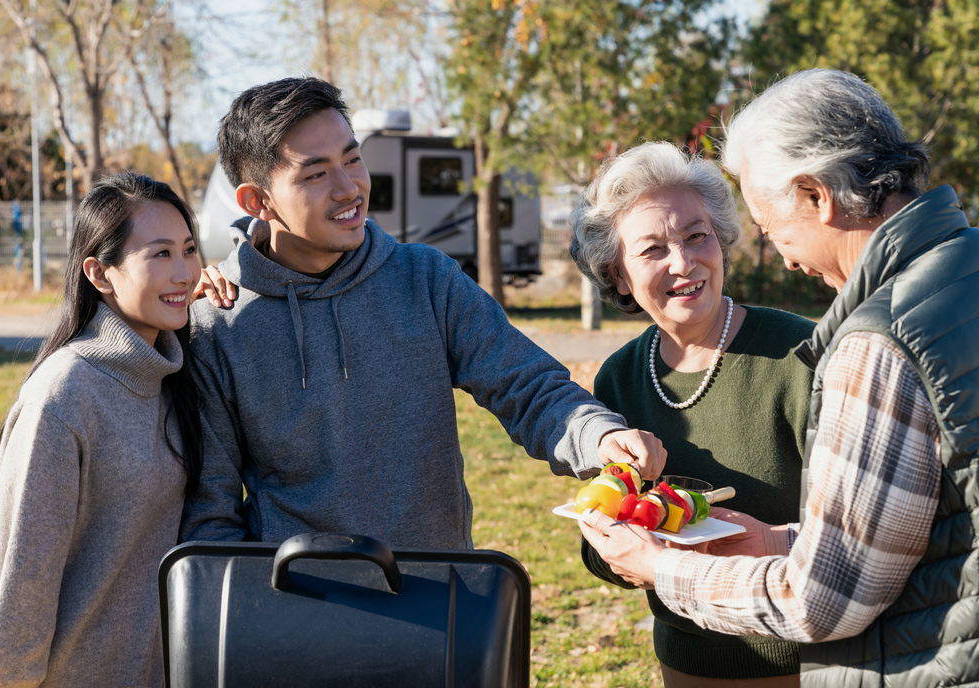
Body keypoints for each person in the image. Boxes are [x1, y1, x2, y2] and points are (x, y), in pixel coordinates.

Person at [579, 68, 979, 687]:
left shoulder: (862, 343)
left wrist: (665, 569)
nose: (785, 256)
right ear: (619, 273)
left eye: (769, 228)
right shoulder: (959, 275)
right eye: (653, 249)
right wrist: (773, 540)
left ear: (817, 196)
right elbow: (908, 527)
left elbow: (824, 597)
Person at [180, 77, 665, 549]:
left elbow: (525, 383)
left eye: (353, 159)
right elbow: (211, 510)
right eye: (315, 174)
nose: (349, 188)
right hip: (299, 606)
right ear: (257, 201)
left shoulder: (426, 279)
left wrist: (597, 435)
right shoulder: (218, 324)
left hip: (436, 592)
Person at [571, 142, 814, 687]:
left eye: (696, 235)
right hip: (684, 662)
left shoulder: (800, 355)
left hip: (809, 662)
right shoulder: (618, 377)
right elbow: (597, 534)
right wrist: (617, 553)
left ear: (722, 242)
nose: (683, 262)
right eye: (652, 249)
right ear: (618, 273)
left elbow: (859, 534)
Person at [0, 173, 203, 686]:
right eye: (160, 254)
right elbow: (22, 585)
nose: (183, 273)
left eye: (189, 251)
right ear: (100, 275)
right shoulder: (62, 398)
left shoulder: (175, 376)